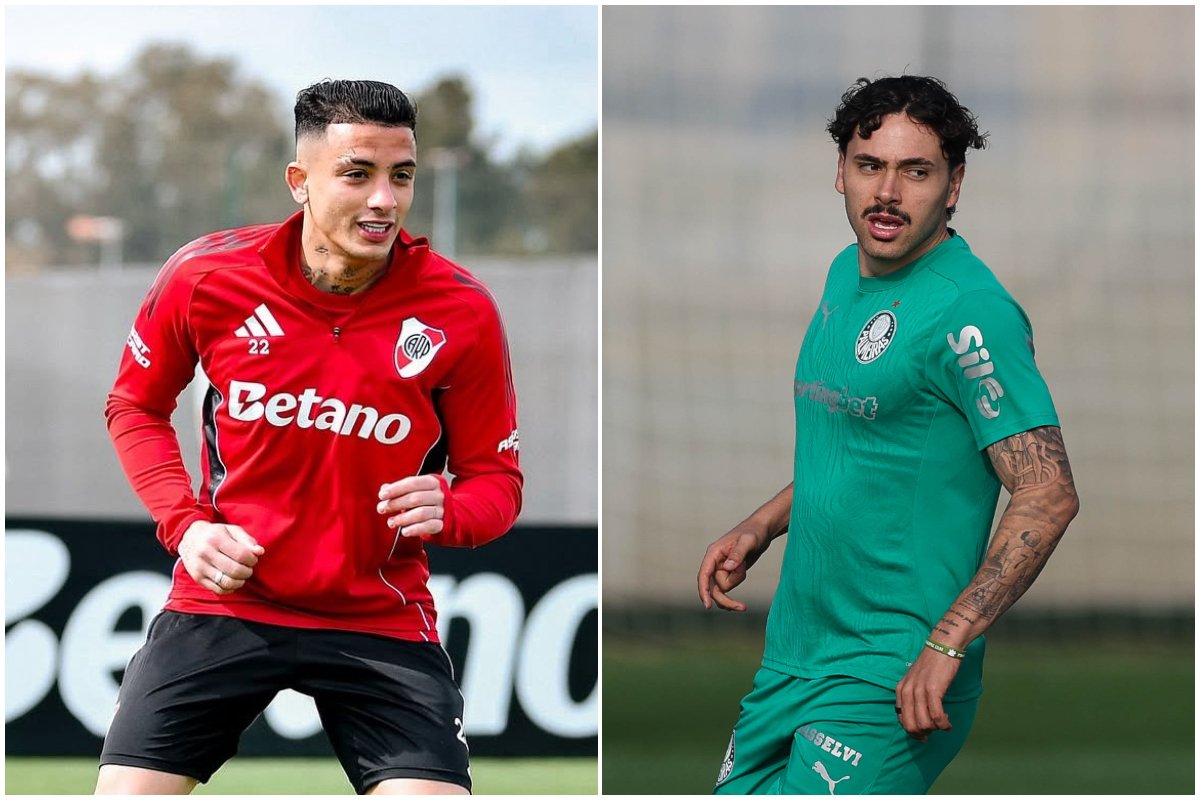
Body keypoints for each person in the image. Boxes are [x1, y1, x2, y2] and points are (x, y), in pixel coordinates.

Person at [98, 79, 522, 795]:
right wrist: (187, 527)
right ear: (299, 181)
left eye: (402, 175)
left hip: (380, 618)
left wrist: (453, 511)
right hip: (224, 604)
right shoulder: (205, 276)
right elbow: (134, 405)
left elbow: (497, 485)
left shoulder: (462, 310)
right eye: (357, 174)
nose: (384, 200)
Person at [697, 75, 1079, 795]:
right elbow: (865, 442)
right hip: (793, 658)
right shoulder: (845, 275)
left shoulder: (971, 312)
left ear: (954, 183)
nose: (887, 193)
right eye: (870, 166)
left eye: (917, 171)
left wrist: (947, 640)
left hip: (889, 672)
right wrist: (762, 525)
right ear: (840, 170)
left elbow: (1048, 491)